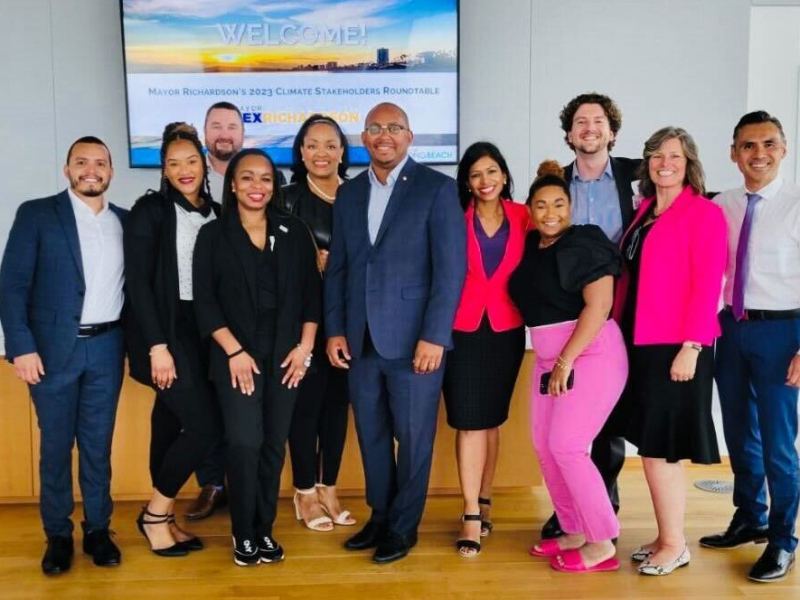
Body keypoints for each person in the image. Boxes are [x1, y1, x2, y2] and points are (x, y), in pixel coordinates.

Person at [325, 102, 466, 564]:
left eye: (394, 128)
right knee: (371, 435)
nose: (383, 135)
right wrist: (335, 330)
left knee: (414, 438)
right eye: (374, 129)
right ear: (363, 138)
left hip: (414, 344)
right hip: (359, 340)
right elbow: (340, 269)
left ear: (410, 136)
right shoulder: (347, 195)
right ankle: (380, 516)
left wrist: (435, 336)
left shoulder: (437, 189)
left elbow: (450, 272)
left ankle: (404, 528)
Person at [0, 136, 126, 574]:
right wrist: (21, 346)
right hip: (51, 352)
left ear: (111, 171)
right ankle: (57, 534)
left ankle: (97, 529)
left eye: (100, 163)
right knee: (55, 447)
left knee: (97, 446)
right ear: (67, 169)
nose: (91, 170)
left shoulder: (125, 222)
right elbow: (12, 286)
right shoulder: (37, 214)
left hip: (108, 348)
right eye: (81, 162)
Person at [193, 148, 321, 566]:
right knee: (245, 442)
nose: (257, 187)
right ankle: (242, 532)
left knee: (272, 445)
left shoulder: (293, 230)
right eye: (247, 178)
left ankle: (264, 530)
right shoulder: (213, 235)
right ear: (232, 184)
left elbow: (311, 297)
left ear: (275, 185)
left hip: (286, 358)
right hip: (236, 359)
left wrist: (304, 349)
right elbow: (206, 303)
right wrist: (234, 351)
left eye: (265, 179)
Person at [613, 127, 727, 575]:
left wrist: (692, 347)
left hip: (677, 347)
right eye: (657, 155)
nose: (665, 162)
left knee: (663, 450)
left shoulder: (703, 213)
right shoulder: (645, 212)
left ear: (689, 162)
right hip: (641, 344)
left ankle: (676, 544)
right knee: (653, 447)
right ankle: (665, 535)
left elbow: (707, 284)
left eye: (674, 155)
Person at [508, 161, 627, 573]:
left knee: (568, 446)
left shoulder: (586, 241)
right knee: (544, 446)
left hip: (590, 355)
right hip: (548, 359)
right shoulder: (529, 246)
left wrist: (565, 360)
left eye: (559, 203)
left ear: (571, 206)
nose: (550, 212)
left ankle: (601, 541)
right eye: (540, 204)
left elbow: (600, 305)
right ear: (529, 209)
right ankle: (573, 529)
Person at [700, 111, 800, 583]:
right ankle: (749, 517)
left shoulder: (797, 203)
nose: (758, 154)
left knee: (779, 443)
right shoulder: (723, 204)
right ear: (733, 152)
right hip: (733, 327)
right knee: (739, 432)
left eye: (768, 144)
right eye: (748, 146)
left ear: (783, 149)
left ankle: (783, 540)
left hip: (784, 333)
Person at [541, 92, 641, 541]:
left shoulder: (638, 176)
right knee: (568, 419)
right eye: (580, 122)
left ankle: (605, 500)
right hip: (570, 310)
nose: (589, 129)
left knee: (609, 413)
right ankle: (574, 510)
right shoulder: (555, 182)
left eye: (597, 121)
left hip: (626, 302)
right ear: (568, 134)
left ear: (612, 131)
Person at [125, 122, 221, 557]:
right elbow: (140, 285)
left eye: (191, 161)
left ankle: (163, 516)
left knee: (171, 420)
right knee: (204, 425)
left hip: (206, 331)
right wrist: (157, 344)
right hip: (167, 331)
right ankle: (155, 514)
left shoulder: (218, 211)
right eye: (172, 163)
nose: (184, 170)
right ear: (163, 170)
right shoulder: (151, 211)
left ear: (204, 163)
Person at [443, 141, 528, 557]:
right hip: (461, 328)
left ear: (505, 175)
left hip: (508, 327)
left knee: (492, 419)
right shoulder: (454, 220)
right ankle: (471, 512)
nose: (485, 181)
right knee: (469, 421)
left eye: (492, 171)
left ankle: (486, 496)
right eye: (476, 174)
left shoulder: (525, 216)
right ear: (467, 182)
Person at [278, 114, 355, 532]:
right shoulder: (286, 198)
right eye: (312, 145)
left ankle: (330, 487)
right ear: (301, 152)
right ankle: (305, 491)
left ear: (342, 151)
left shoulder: (360, 194)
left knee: (336, 409)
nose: (321, 153)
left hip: (349, 318)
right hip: (303, 321)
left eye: (330, 145)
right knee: (305, 408)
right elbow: (268, 259)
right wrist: (309, 264)